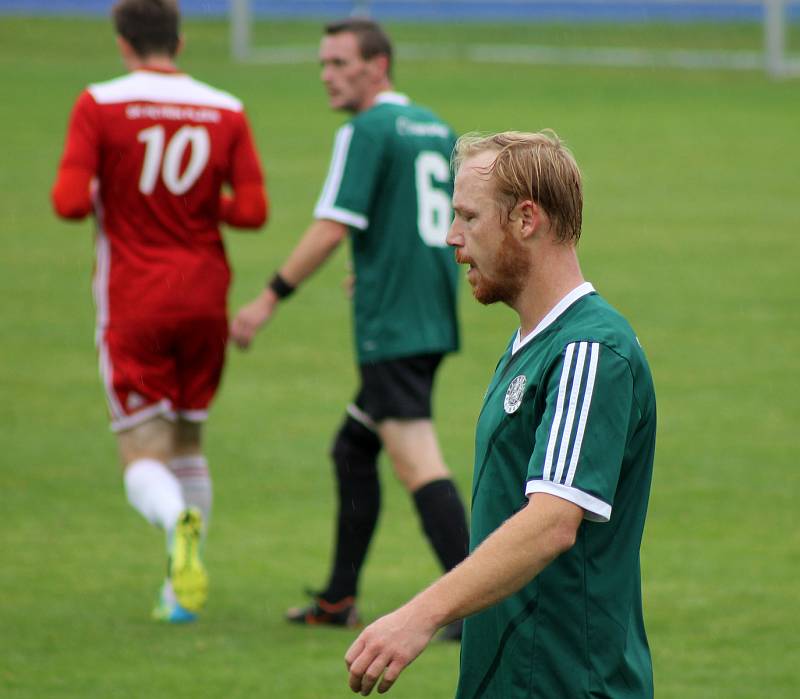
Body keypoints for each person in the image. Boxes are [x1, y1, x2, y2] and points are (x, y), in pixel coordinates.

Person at [344, 130, 657, 698]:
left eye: (468, 216)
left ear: (525, 220)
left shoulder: (590, 351)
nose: (451, 236)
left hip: (566, 683)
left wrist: (421, 614)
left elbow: (553, 522)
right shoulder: (531, 345)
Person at [231, 18, 469, 635]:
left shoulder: (366, 130)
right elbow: (426, 222)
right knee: (352, 448)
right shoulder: (433, 126)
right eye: (323, 65)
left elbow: (332, 226)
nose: (327, 76)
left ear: (378, 66)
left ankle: (479, 605)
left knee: (418, 462)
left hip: (391, 327)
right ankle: (338, 600)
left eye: (339, 63)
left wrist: (267, 298)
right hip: (430, 311)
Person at [51, 0, 268, 623]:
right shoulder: (225, 107)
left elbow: (68, 202)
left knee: (142, 453)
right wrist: (201, 206)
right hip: (204, 296)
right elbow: (252, 211)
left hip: (136, 299)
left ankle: (177, 521)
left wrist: (115, 191)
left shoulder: (99, 102)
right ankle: (178, 597)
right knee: (188, 438)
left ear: (123, 41)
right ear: (181, 40)